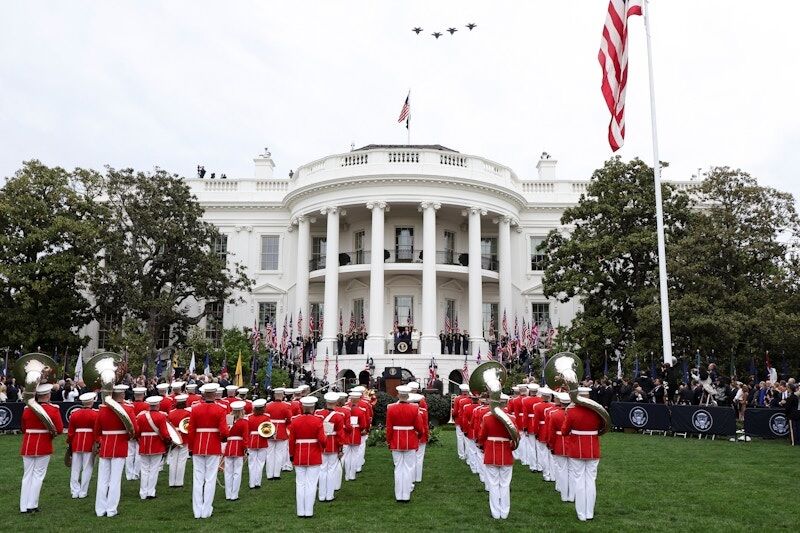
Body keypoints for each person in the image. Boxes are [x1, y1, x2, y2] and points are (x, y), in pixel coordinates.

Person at [562, 387, 605, 522]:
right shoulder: (597, 411)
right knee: (590, 481)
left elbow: (564, 431)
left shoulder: (572, 411)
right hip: (592, 448)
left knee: (579, 481)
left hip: (576, 449)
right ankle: (589, 513)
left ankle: (581, 514)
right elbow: (602, 426)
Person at [19, 383, 64, 513]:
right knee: (38, 475)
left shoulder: (27, 409)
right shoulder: (53, 409)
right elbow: (59, 429)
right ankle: (32, 505)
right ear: (48, 395)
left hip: (28, 444)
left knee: (27, 475)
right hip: (43, 444)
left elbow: (23, 428)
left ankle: (23, 506)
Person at [187, 383, 229, 519]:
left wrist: (191, 447)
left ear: (204, 394)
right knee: (210, 479)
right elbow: (223, 431)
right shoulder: (220, 409)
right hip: (213, 445)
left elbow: (191, 430)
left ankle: (197, 510)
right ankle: (206, 510)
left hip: (198, 445)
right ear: (215, 394)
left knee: (198, 479)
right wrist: (224, 437)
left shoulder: (195, 409)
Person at [94, 384, 135, 518]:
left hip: (106, 445)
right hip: (119, 445)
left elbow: (97, 431)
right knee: (115, 480)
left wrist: (101, 441)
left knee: (102, 479)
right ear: (122, 395)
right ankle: (111, 509)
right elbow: (135, 429)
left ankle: (100, 509)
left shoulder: (102, 410)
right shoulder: (128, 408)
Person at [476, 393, 515, 520]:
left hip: (491, 452)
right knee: (504, 484)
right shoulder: (512, 418)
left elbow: (482, 436)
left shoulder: (487, 418)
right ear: (506, 403)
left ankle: (495, 513)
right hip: (506, 453)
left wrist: (481, 445)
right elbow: (515, 439)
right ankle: (504, 512)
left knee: (493, 484)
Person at [385, 385, 425, 502]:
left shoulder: (391, 408)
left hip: (396, 440)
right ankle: (406, 495)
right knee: (408, 468)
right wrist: (419, 435)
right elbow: (420, 427)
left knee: (398, 468)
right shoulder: (414, 408)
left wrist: (389, 441)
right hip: (410, 441)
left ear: (398, 395)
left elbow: (389, 428)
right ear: (408, 396)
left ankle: (399, 495)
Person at [290, 396, 326, 517]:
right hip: (314, 454)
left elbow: (291, 441)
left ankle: (301, 511)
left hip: (299, 454)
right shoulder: (317, 421)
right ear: (313, 408)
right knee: (311, 483)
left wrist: (291, 454)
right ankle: (309, 511)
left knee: (300, 484)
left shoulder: (295, 421)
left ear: (302, 407)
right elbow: (322, 439)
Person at [136, 396, 171, 500]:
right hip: (156, 444)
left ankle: (143, 492)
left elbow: (138, 433)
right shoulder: (161, 416)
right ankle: (150, 492)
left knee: (144, 469)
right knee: (154, 469)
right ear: (157, 405)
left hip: (144, 444)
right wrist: (168, 440)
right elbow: (165, 434)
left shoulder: (141, 417)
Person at [67, 392, 98, 499]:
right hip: (89, 442)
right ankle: (83, 491)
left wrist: (70, 443)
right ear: (92, 401)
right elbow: (96, 431)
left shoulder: (75, 414)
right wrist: (97, 442)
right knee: (87, 467)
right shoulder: (95, 414)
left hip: (76, 442)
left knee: (75, 468)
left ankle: (75, 491)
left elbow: (70, 432)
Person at [315, 392, 345, 502]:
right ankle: (329, 495)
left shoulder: (318, 414)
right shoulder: (338, 416)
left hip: (321, 444)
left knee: (322, 470)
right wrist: (340, 448)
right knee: (331, 470)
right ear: (336, 403)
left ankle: (321, 495)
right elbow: (340, 434)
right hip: (332, 444)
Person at [265, 387, 293, 480]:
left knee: (269, 454)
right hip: (281, 430)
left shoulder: (268, 405)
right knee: (279, 454)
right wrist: (285, 424)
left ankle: (269, 474)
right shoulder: (286, 406)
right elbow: (289, 419)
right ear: (282, 396)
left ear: (274, 395)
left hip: (270, 430)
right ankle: (276, 474)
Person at [549, 393, 572, 502]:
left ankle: (564, 494)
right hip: (572, 444)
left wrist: (551, 445)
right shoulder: (573, 413)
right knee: (572, 470)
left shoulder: (554, 414)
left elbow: (551, 433)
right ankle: (571, 495)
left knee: (562, 469)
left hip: (559, 443)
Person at [224, 401, 248, 500]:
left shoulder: (228, 420)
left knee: (228, 472)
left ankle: (228, 494)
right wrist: (246, 449)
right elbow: (245, 437)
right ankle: (234, 495)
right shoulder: (244, 422)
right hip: (238, 447)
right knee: (237, 472)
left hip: (229, 446)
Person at [166, 394, 191, 487]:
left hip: (174, 438)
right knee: (181, 460)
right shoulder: (187, 413)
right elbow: (189, 426)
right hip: (183, 437)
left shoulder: (171, 413)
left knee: (173, 460)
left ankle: (171, 482)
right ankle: (179, 482)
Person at [246, 398, 271, 489]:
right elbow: (268, 431)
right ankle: (257, 482)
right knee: (260, 463)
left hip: (252, 440)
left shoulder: (249, 417)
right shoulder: (266, 417)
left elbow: (247, 431)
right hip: (262, 440)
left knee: (252, 463)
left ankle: (251, 483)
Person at [344, 391, 367, 481]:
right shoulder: (361, 411)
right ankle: (352, 475)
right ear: (358, 400)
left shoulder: (345, 409)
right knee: (354, 455)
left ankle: (346, 475)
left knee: (347, 455)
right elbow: (363, 425)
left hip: (347, 433)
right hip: (356, 433)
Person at [410, 393, 429, 483]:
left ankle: (412, 477)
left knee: (411, 457)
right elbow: (425, 426)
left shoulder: (409, 410)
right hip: (421, 436)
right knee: (419, 457)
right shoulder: (423, 411)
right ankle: (418, 477)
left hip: (411, 436)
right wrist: (426, 436)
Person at [522, 383, 542, 472]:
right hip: (539, 424)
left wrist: (525, 426)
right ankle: (540, 466)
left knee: (531, 446)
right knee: (540, 447)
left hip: (530, 423)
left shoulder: (525, 401)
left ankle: (534, 466)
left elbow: (525, 415)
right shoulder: (540, 399)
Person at [452, 383, 472, 461]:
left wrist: (453, 416)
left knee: (460, 438)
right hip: (469, 421)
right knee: (467, 438)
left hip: (459, 420)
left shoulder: (457, 399)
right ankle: (467, 454)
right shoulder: (471, 399)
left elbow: (455, 411)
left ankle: (461, 455)